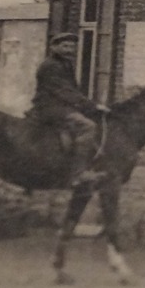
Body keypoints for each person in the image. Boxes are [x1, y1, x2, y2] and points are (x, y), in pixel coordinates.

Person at [29, 31, 108, 188]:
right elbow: (64, 91)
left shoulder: (65, 64)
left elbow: (73, 90)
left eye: (72, 47)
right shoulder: (50, 66)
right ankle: (78, 174)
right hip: (50, 107)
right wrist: (92, 105)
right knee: (88, 127)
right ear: (53, 47)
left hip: (61, 106)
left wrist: (86, 104)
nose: (69, 50)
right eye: (65, 46)